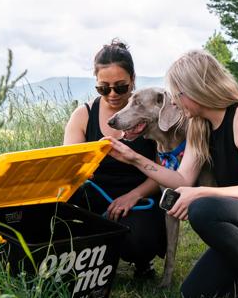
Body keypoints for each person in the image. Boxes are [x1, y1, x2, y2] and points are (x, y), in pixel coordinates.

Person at [105, 49, 238, 298]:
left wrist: (201, 193)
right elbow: (181, 179)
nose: (175, 103)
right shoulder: (200, 126)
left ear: (197, 89)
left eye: (178, 94)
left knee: (202, 207)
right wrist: (132, 157)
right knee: (195, 293)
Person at [64, 39, 166, 278]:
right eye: (103, 88)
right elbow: (69, 167)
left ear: (133, 80)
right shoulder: (83, 115)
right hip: (95, 196)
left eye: (120, 87)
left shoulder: (153, 115)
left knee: (139, 241)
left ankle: (141, 259)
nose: (112, 94)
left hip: (140, 196)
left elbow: (164, 174)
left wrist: (133, 196)